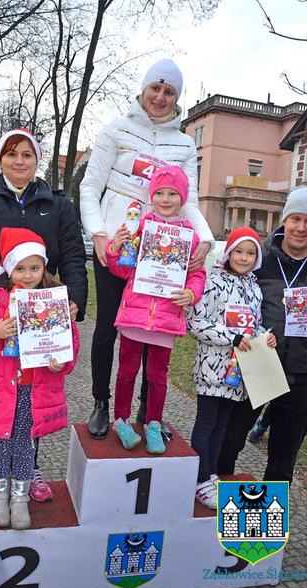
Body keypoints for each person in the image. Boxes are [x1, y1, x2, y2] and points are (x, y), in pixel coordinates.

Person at [0, 128, 87, 502]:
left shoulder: (57, 204)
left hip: (42, 312)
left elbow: (73, 254)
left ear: (37, 159)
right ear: (0, 159)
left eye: (27, 154)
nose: (19, 161)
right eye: (12, 154)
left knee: (35, 389)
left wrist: (72, 299)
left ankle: (29, 464)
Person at [80, 58, 214, 440]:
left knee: (153, 327)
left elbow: (190, 200)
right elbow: (90, 188)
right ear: (143, 89)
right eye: (155, 88)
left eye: (169, 92)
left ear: (176, 98)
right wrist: (99, 236)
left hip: (162, 250)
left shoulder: (185, 144)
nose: (160, 97)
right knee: (108, 325)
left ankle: (146, 409)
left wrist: (203, 238)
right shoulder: (116, 129)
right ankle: (102, 403)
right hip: (117, 246)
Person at [0, 228, 79, 528]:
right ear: (9, 268)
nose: (28, 275)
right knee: (0, 442)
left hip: (32, 388)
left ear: (44, 268)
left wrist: (60, 363)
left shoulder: (54, 300)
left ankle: (20, 497)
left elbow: (70, 341)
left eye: (35, 268)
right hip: (1, 388)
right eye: (21, 268)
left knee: (26, 443)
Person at [217, 187, 307, 483]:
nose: (301, 227)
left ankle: (261, 529)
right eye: (295, 218)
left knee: (281, 462)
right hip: (254, 367)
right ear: (284, 221)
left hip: (303, 375)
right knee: (228, 446)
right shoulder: (258, 258)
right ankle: (215, 516)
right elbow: (221, 294)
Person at [106, 166, 205, 453]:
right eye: (159, 193)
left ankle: (153, 422)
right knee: (126, 372)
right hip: (135, 314)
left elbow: (196, 274)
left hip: (165, 317)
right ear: (151, 196)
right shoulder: (139, 228)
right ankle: (121, 421)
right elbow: (123, 271)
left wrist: (191, 293)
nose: (165, 198)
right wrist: (115, 248)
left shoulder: (191, 236)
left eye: (172, 193)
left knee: (157, 376)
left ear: (182, 197)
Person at [187, 227, 276, 509]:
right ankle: (199, 479)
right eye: (239, 251)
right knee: (206, 422)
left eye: (251, 253)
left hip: (240, 371)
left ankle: (211, 472)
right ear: (228, 253)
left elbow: (254, 324)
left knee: (222, 425)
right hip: (213, 367)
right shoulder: (213, 283)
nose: (244, 257)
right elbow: (196, 324)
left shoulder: (255, 288)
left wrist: (265, 335)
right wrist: (233, 338)